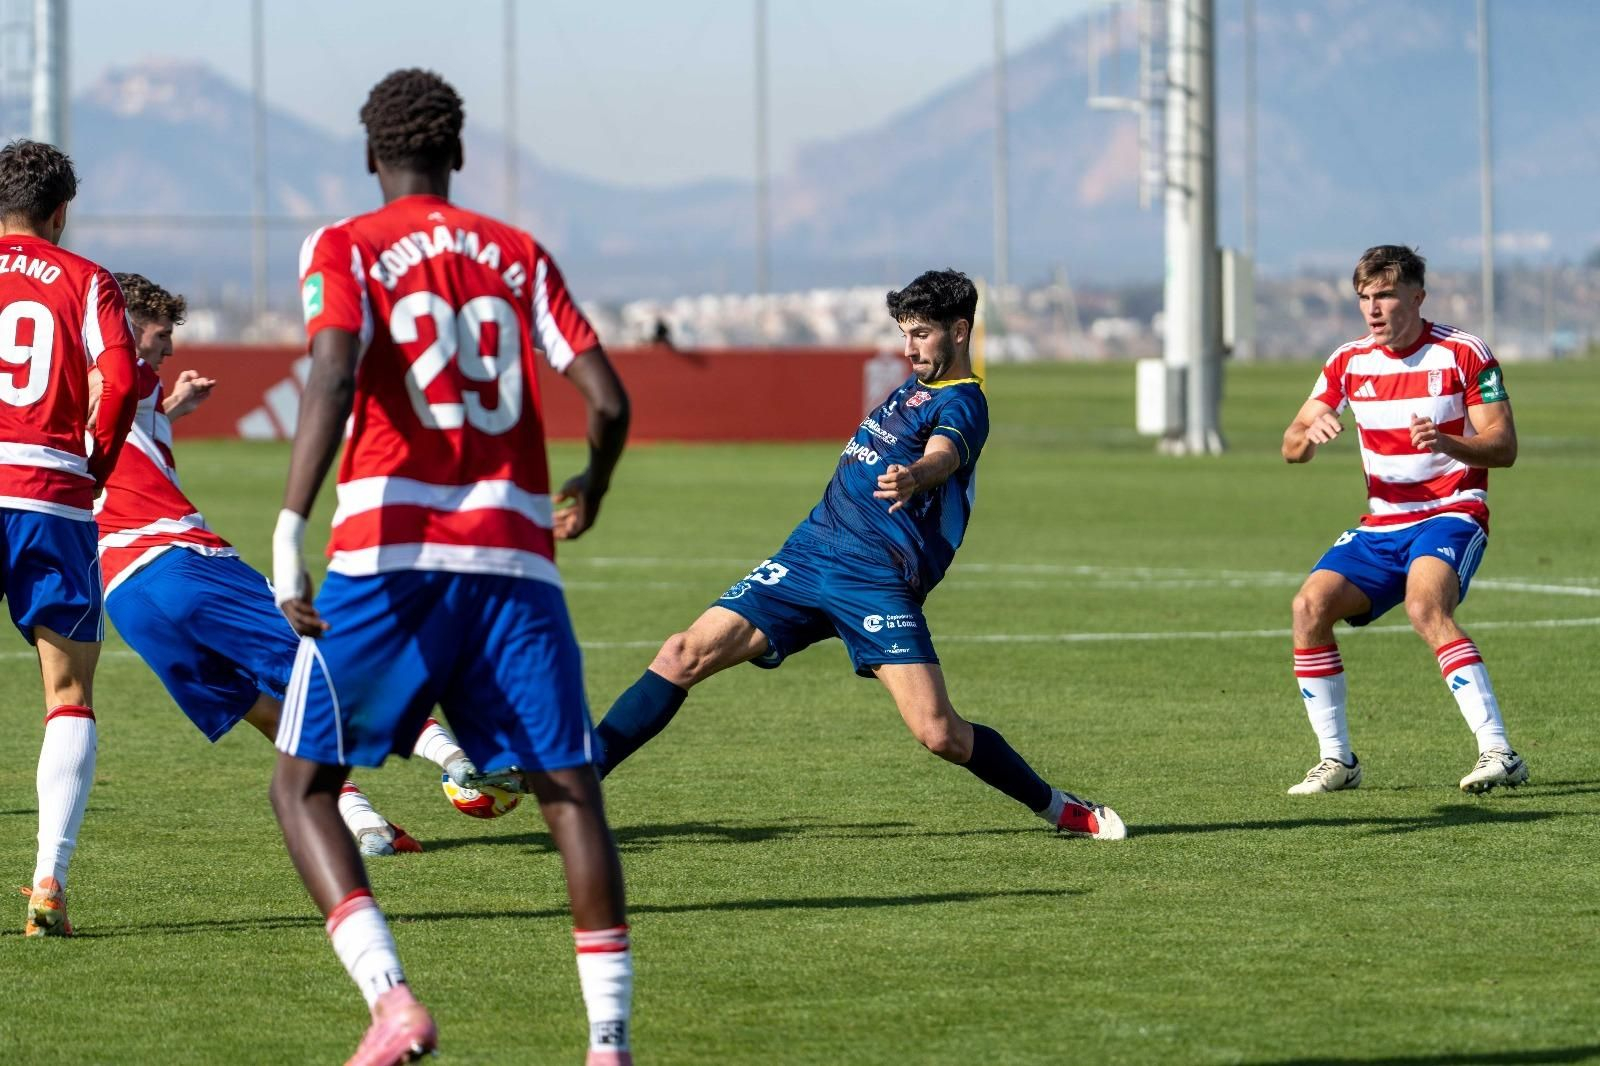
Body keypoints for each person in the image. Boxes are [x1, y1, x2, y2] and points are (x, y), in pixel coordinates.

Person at [272, 70, 634, 1066]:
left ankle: (391, 1000)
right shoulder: (519, 254)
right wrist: (591, 484)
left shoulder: (345, 244)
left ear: (367, 155)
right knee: (570, 794)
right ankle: (609, 1046)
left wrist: (290, 523)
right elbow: (607, 399)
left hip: (387, 556)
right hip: (516, 557)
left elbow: (336, 374)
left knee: (303, 785)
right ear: (460, 155)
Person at [592, 269, 1127, 841]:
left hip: (875, 578)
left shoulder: (965, 402)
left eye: (921, 333)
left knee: (939, 733)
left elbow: (945, 454)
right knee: (681, 654)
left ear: (961, 329)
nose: (908, 347)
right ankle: (577, 780)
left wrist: (917, 475)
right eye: (905, 332)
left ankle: (1059, 807)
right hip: (808, 554)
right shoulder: (912, 384)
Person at [93, 272, 477, 857]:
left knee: (263, 708)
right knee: (328, 663)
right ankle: (460, 760)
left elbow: (117, 429)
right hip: (181, 561)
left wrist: (171, 408)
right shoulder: (117, 362)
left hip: (123, 593)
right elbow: (117, 383)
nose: (168, 350)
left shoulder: (79, 395)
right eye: (161, 336)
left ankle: (363, 822)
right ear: (124, 327)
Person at [1281, 244, 1523, 796]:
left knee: (1424, 606)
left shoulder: (1464, 353)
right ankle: (1338, 761)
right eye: (1365, 297)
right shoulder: (1347, 362)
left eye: (1386, 295)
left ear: (1417, 296)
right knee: (1308, 607)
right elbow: (1291, 443)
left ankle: (1498, 751)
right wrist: (1308, 438)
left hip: (1452, 512)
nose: (1374, 308)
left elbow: (1503, 446)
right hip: (1381, 523)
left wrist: (1448, 442)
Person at [0, 140, 139, 937]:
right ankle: (49, 879)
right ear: (61, 213)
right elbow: (117, 383)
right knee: (68, 694)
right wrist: (96, 462)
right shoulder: (87, 280)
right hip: (49, 493)